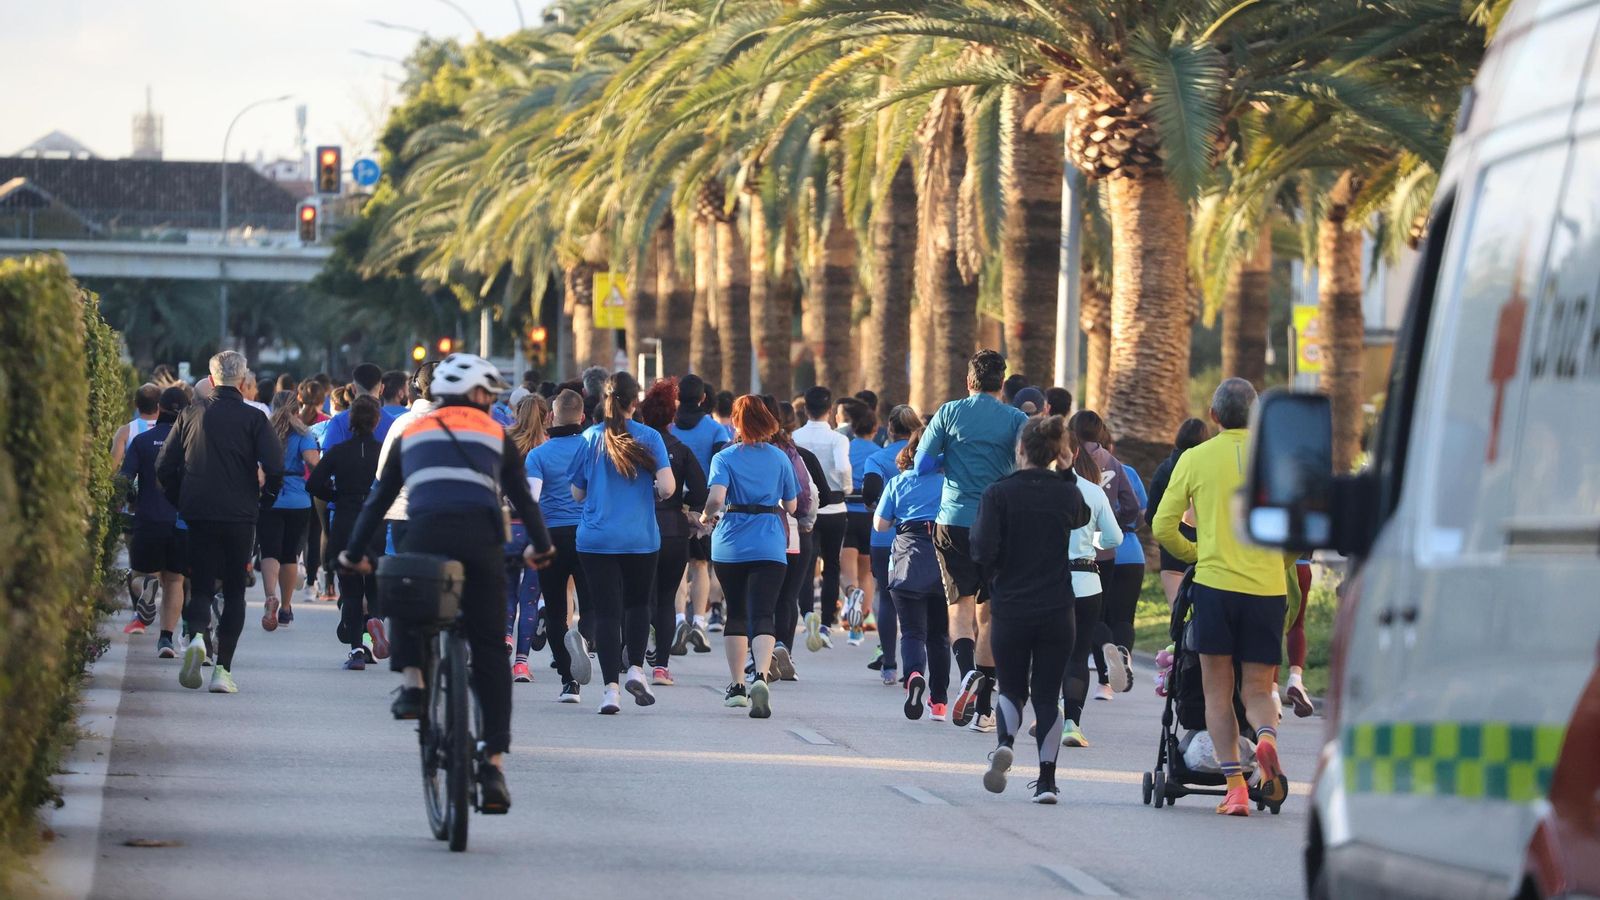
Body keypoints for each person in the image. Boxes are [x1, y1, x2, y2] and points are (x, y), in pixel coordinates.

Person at [341, 353, 553, 814]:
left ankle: (415, 686)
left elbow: (378, 499)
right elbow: (522, 500)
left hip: (425, 534)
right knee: (492, 651)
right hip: (482, 541)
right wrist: (541, 546)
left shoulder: (412, 431)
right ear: (478, 395)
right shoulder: (496, 435)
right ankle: (493, 764)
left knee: (409, 600)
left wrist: (354, 553)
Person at [1152, 378, 1288, 817]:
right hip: (1267, 589)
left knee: (1217, 690)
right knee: (1257, 687)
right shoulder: (1277, 456)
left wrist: (1198, 553)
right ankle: (1265, 738)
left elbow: (1162, 525)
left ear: (1213, 417)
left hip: (1214, 587)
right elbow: (1300, 531)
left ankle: (1235, 788)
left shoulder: (1195, 458)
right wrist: (1278, 563)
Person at [970, 416, 1090, 803]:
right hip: (1057, 607)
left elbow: (981, 550)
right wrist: (1069, 472)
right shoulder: (1065, 494)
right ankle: (1047, 781)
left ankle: (1005, 741)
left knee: (1011, 688)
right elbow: (1083, 517)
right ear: (1057, 453)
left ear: (1019, 450)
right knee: (1046, 694)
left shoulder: (998, 494)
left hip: (1011, 606)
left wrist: (992, 579)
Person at [156, 350, 284, 694]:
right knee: (234, 590)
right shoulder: (255, 419)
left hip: (198, 512)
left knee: (199, 585)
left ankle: (197, 635)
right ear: (243, 381)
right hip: (240, 515)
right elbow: (275, 467)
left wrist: (180, 499)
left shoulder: (190, 414)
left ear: (211, 380)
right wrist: (265, 502)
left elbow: (164, 467)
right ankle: (222, 670)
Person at [914, 349, 1028, 732]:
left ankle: (966, 675)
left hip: (954, 519)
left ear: (969, 382)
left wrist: (951, 458)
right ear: (1003, 383)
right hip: (1001, 522)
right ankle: (983, 709)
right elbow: (1027, 463)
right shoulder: (1017, 419)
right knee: (989, 614)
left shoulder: (949, 413)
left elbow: (922, 465)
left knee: (958, 608)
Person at [569, 372, 675, 714]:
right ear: (634, 401)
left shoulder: (589, 438)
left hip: (596, 538)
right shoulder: (650, 438)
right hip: (639, 537)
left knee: (606, 612)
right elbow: (669, 487)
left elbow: (577, 492)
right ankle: (636, 670)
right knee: (638, 605)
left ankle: (610, 691)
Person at [700, 396, 799, 717]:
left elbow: (716, 499)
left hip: (730, 544)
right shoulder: (780, 457)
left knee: (737, 613)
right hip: (770, 543)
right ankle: (761, 676)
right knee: (764, 614)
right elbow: (794, 505)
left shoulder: (724, 457)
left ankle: (737, 686)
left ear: (737, 422)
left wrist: (705, 516)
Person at [873, 427, 948, 720]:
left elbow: (880, 524)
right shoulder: (949, 483)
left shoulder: (898, 482)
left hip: (907, 557)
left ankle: (914, 673)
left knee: (913, 631)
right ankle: (939, 702)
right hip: (942, 557)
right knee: (940, 635)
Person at [524, 388, 594, 700]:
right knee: (591, 603)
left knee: (554, 610)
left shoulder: (539, 454)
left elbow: (531, 499)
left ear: (552, 416)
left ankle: (569, 681)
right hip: (589, 536)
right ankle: (586, 642)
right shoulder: (593, 449)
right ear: (582, 416)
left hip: (552, 536)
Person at [308, 397, 387, 670]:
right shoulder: (384, 452)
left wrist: (336, 495)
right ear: (377, 421)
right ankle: (373, 626)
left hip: (346, 520)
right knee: (375, 586)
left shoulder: (338, 452)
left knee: (351, 590)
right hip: (375, 521)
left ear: (351, 421)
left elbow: (314, 483)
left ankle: (355, 649)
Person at [1067, 410, 1141, 699]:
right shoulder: (1113, 463)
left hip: (1075, 550)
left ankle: (1104, 661)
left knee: (1085, 616)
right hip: (1107, 552)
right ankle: (1108, 675)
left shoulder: (1069, 460)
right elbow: (1132, 506)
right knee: (1100, 611)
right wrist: (1117, 522)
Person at [639, 379, 708, 687]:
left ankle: (635, 659)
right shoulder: (680, 449)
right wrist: (690, 511)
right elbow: (702, 490)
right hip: (673, 529)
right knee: (667, 598)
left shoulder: (634, 447)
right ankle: (662, 668)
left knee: (640, 598)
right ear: (670, 417)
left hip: (639, 527)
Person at [1057, 427, 1121, 749]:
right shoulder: (1093, 492)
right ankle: (1072, 723)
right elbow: (1115, 538)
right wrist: (1093, 542)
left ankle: (1047, 709)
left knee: (1046, 651)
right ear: (1076, 453)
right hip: (1085, 580)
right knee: (1078, 653)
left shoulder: (1032, 489)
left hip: (1045, 583)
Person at [120, 387, 191, 656]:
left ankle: (147, 590)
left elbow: (125, 478)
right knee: (175, 581)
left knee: (140, 574)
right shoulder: (191, 443)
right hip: (181, 522)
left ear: (159, 409)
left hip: (148, 518)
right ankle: (166, 640)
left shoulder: (142, 441)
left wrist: (124, 499)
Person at [861, 405, 922, 685]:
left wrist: (879, 508)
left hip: (883, 537)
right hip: (918, 537)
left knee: (886, 598)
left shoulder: (877, 458)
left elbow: (870, 492)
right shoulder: (925, 457)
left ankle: (888, 664)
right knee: (917, 599)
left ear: (889, 426)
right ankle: (917, 662)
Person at [792, 385, 851, 650]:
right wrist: (845, 487)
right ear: (830, 411)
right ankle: (827, 623)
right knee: (832, 566)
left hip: (805, 507)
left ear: (805, 410)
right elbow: (842, 467)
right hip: (835, 508)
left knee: (805, 564)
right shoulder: (838, 439)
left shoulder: (794, 437)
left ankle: (807, 615)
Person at [258, 390, 320, 631]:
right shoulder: (304, 432)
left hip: (270, 498)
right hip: (298, 500)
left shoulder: (265, 430)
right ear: (297, 408)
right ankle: (285, 607)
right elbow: (312, 461)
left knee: (270, 551)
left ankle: (269, 597)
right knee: (289, 555)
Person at [770, 399, 823, 678]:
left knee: (766, 596)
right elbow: (818, 494)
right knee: (789, 596)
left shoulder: (753, 451)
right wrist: (807, 522)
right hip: (798, 532)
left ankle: (764, 654)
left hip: (765, 530)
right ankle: (784, 650)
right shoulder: (800, 455)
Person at [504, 394, 549, 683]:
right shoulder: (547, 448)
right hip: (538, 529)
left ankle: (505, 635)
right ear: (547, 416)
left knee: (507, 590)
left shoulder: (505, 442)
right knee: (530, 598)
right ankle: (521, 662)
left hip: (508, 527)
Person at [1147, 417, 1211, 607]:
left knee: (1177, 618)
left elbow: (1151, 516)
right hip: (1205, 548)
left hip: (1171, 550)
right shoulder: (1208, 469)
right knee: (1204, 612)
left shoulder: (1164, 469)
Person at [840, 398, 881, 645]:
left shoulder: (846, 448)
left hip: (846, 512)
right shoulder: (878, 452)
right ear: (874, 430)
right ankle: (862, 621)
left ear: (853, 428)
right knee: (867, 572)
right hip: (869, 516)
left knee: (848, 573)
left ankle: (851, 597)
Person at [319, 363, 400, 450]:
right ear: (381, 389)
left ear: (353, 389)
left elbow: (327, 456)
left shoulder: (338, 422)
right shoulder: (394, 424)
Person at [112, 382, 162, 472]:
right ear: (160, 405)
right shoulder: (172, 430)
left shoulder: (124, 432)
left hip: (134, 484)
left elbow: (111, 467)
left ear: (136, 404)